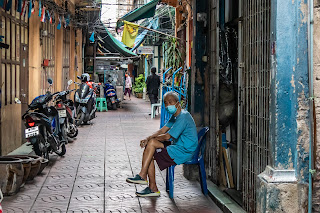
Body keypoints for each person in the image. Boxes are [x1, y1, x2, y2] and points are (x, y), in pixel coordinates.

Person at [126, 91, 198, 197]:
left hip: (184, 151)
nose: (168, 105)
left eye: (170, 102)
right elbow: (162, 130)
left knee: (150, 148)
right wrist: (147, 138)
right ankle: (148, 183)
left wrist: (150, 139)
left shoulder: (183, 116)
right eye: (166, 103)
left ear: (177, 103)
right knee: (150, 146)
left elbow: (168, 136)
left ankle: (147, 181)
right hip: (178, 146)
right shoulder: (176, 116)